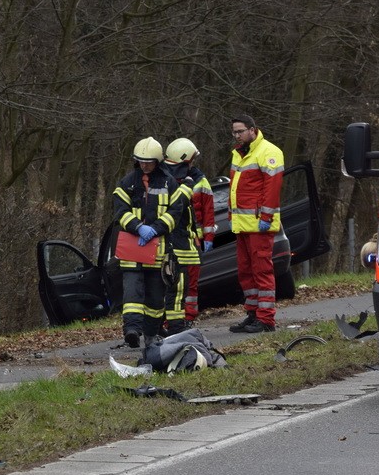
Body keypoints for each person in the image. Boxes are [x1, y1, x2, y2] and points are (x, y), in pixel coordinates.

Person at [113, 137, 188, 348]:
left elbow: (176, 211)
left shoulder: (169, 182)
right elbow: (120, 210)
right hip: (133, 250)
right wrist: (138, 227)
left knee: (156, 299)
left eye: (149, 161)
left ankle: (151, 334)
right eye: (141, 161)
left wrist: (156, 228)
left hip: (158, 251)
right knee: (132, 295)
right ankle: (132, 331)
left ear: (158, 161)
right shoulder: (128, 182)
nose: (144, 165)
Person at [227, 114, 284, 333]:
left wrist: (267, 218)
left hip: (259, 224)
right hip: (243, 224)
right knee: (245, 271)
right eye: (234, 132)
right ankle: (252, 314)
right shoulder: (239, 153)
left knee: (261, 271)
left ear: (253, 130)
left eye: (240, 131)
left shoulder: (269, 152)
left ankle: (266, 319)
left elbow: (272, 189)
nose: (237, 136)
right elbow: (235, 189)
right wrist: (233, 217)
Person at [163, 137, 215, 328]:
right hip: (172, 240)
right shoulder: (165, 180)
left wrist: (208, 237)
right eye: (192, 160)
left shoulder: (200, 181)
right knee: (172, 283)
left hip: (194, 241)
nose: (194, 163)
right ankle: (172, 319)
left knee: (189, 285)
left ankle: (188, 317)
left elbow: (208, 214)